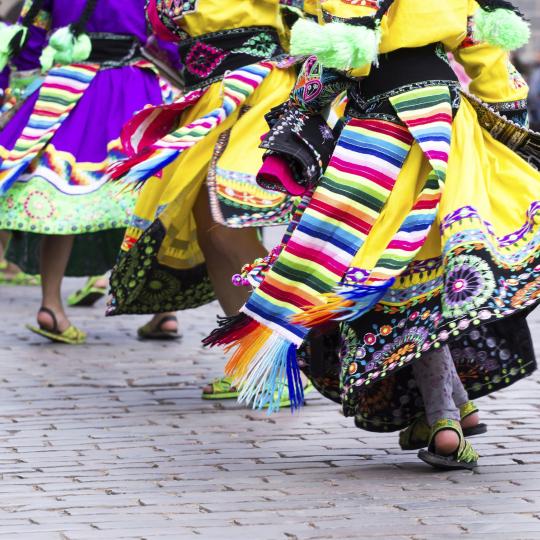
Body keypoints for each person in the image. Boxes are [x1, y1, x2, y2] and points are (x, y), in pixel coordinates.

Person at [204, 0, 539, 469]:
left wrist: (299, 110)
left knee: (389, 275)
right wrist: (509, 124)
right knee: (431, 269)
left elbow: (348, 54)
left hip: (382, 129)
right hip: (450, 122)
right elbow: (484, 52)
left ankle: (444, 420)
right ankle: (456, 409)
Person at [105, 0, 305, 400]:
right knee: (210, 231)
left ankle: (280, 354)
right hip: (205, 98)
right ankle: (249, 362)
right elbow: (160, 31)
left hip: (255, 91)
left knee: (229, 225)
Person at [0, 0, 177, 343]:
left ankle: (51, 305)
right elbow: (167, 36)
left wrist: (18, 80)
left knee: (59, 196)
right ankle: (164, 311)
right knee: (151, 199)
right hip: (134, 87)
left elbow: (30, 38)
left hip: (70, 86)